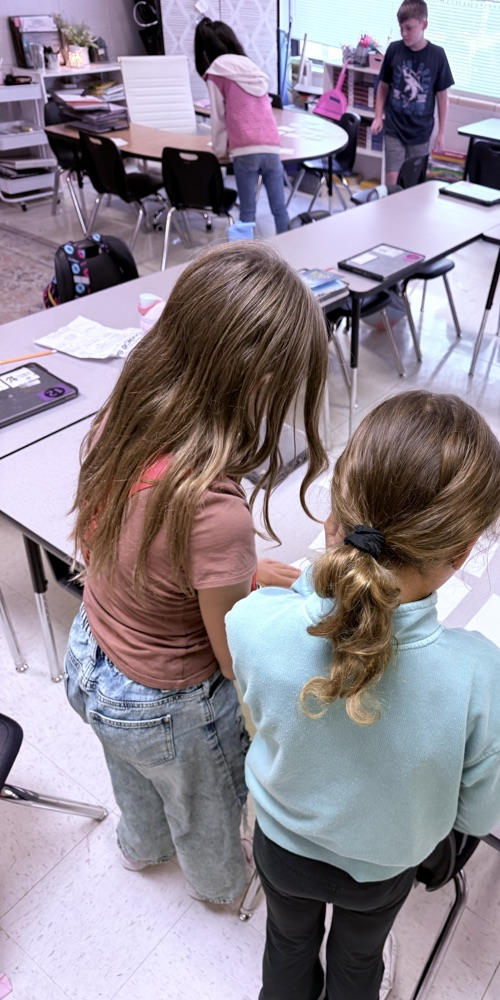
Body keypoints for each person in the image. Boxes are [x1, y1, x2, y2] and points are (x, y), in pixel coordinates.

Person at [227, 390, 500, 999]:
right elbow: (478, 813)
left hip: (281, 846)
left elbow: (260, 720)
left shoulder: (253, 622)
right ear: (462, 551)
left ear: (332, 519)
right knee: (359, 960)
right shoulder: (484, 681)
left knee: (286, 943)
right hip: (382, 869)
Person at [64, 241, 328, 905]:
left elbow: (149, 556)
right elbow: (232, 658)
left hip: (91, 655)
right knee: (205, 803)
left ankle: (139, 848)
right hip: (167, 703)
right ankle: (220, 887)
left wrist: (244, 574)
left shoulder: (121, 420)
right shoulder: (214, 510)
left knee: (134, 777)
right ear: (260, 385)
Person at [194, 17, 289, 238]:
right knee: (279, 208)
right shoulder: (251, 67)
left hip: (244, 149)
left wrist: (219, 151)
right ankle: (288, 250)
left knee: (247, 212)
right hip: (272, 145)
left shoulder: (216, 73)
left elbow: (218, 117)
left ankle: (247, 263)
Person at [371, 0, 454, 186]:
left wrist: (441, 132)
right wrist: (378, 117)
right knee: (393, 180)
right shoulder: (394, 50)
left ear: (424, 24)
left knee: (412, 182)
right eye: (401, 28)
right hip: (394, 127)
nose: (404, 33)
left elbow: (442, 98)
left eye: (409, 28)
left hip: (420, 131)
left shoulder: (437, 56)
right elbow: (383, 87)